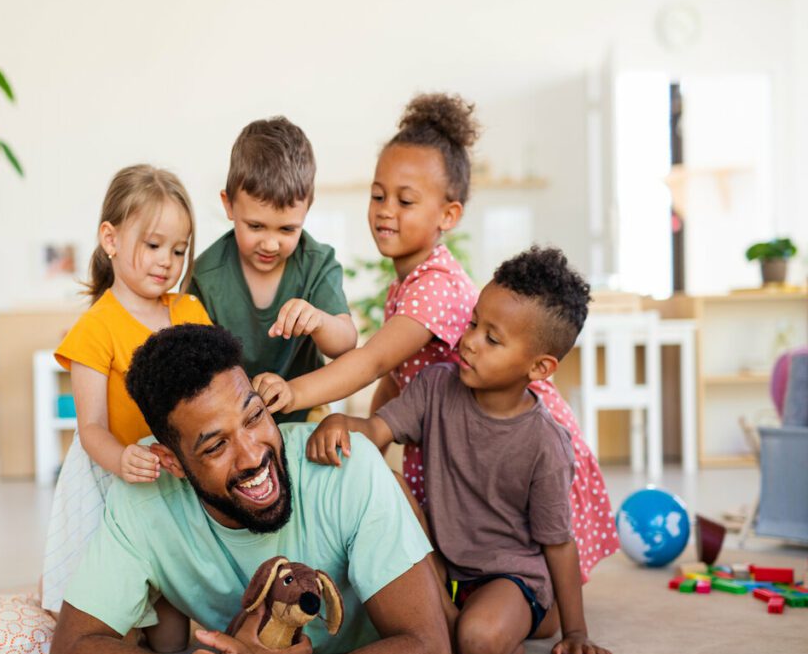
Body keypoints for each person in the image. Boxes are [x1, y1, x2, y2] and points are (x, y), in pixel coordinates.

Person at [254, 93, 618, 580]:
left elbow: (373, 362)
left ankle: (541, 600)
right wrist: (372, 442)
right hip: (458, 430)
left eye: (405, 201)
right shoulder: (408, 282)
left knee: (525, 556)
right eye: (378, 195)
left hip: (505, 434)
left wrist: (293, 391)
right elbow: (396, 382)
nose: (386, 211)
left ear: (448, 215)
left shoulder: (435, 287)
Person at [47, 324, 450, 654]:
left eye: (254, 417)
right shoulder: (144, 498)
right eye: (216, 446)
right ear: (172, 462)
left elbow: (428, 653)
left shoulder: (347, 465)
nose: (252, 456)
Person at [306, 247, 617, 654]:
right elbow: (377, 430)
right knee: (390, 484)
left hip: (509, 576)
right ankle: (453, 618)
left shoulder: (546, 443)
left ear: (539, 368)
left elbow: (557, 542)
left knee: (480, 643)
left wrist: (576, 631)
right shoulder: (435, 386)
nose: (468, 341)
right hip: (443, 565)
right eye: (473, 323)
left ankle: (529, 616)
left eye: (492, 339)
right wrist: (341, 422)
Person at [40, 166, 212, 614]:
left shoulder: (190, 311)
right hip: (118, 478)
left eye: (178, 250)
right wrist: (122, 459)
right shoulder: (96, 327)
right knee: (117, 619)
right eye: (153, 245)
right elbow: (91, 428)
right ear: (110, 240)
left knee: (170, 632)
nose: (167, 261)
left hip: (178, 480)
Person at [190, 117, 358, 422]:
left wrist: (319, 320)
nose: (270, 244)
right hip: (231, 418)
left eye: (287, 229)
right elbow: (194, 367)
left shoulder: (316, 263)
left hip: (305, 412)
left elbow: (346, 343)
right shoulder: (205, 276)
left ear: (307, 208)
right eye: (255, 226)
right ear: (229, 205)